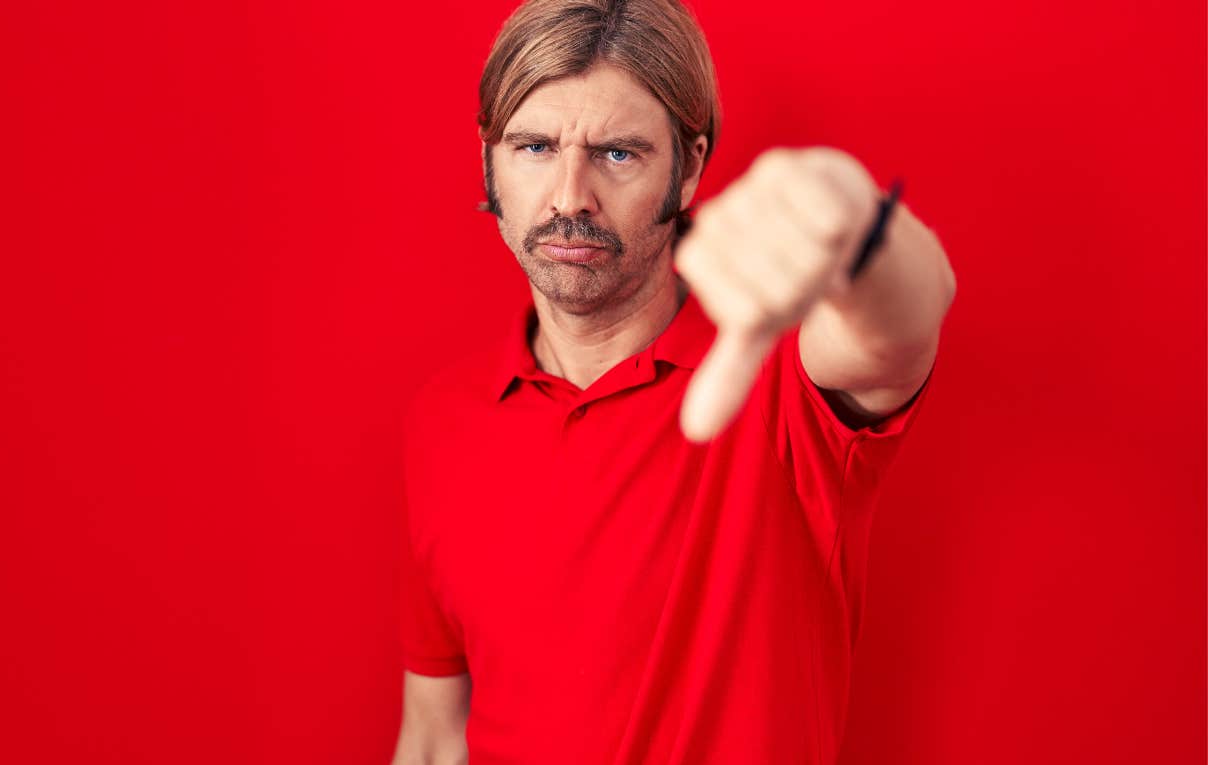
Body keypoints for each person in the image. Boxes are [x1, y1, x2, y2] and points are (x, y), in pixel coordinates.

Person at [391, 1, 957, 762]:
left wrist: (859, 228)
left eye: (617, 154)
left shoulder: (785, 383)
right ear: (488, 158)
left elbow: (903, 326)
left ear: (688, 167)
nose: (568, 198)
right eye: (533, 147)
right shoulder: (443, 419)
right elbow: (432, 737)